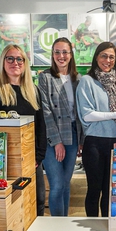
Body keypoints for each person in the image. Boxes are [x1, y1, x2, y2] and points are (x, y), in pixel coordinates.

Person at [76, 42, 116, 231]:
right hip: (95, 143)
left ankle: (108, 230)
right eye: (103, 56)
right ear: (96, 58)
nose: (107, 61)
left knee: (111, 190)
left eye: (111, 57)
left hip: (115, 142)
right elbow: (87, 115)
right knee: (95, 189)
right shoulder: (87, 82)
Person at [0, 44, 47, 217]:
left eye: (19, 59)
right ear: (2, 62)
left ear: (25, 63)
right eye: (10, 58)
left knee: (38, 198)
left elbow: (40, 126)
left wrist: (38, 157)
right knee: (12, 203)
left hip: (31, 159)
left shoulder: (33, 91)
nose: (15, 62)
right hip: (3, 162)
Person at [38, 37, 81, 216]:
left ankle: (64, 225)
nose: (61, 56)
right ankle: (57, 226)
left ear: (71, 55)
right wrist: (56, 142)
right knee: (56, 185)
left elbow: (79, 113)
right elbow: (46, 112)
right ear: (52, 54)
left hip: (73, 134)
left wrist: (82, 140)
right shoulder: (45, 77)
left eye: (65, 52)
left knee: (65, 184)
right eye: (57, 52)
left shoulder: (78, 79)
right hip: (51, 136)